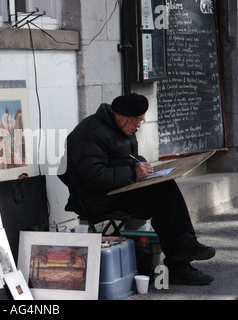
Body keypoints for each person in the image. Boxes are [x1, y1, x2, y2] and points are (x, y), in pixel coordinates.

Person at [58, 93, 215, 285]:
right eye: (135, 120)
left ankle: (182, 256)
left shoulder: (122, 129)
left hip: (117, 190)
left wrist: (140, 165)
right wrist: (133, 174)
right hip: (96, 199)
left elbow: (124, 159)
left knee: (164, 188)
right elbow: (93, 177)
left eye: (141, 120)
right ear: (119, 114)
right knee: (163, 195)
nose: (138, 125)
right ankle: (181, 257)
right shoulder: (89, 133)